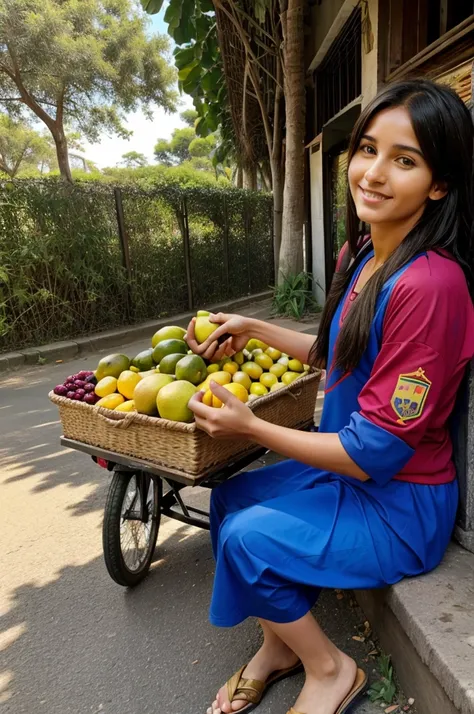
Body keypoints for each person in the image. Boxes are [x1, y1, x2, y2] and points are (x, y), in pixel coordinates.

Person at [185, 79, 474, 714]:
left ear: (440, 183)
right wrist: (252, 327)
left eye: (405, 159)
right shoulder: (363, 252)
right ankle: (281, 647)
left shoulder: (431, 286)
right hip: (348, 477)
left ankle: (330, 669)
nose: (372, 172)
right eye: (367, 149)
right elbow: (341, 356)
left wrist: (251, 428)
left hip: (398, 503)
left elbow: (377, 451)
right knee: (231, 497)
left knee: (246, 539)